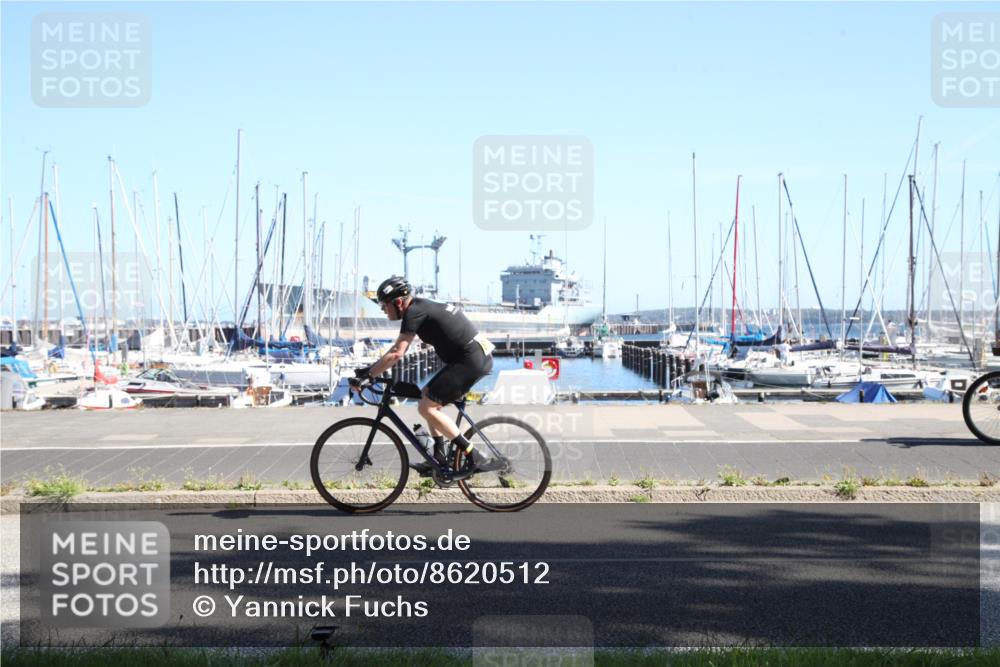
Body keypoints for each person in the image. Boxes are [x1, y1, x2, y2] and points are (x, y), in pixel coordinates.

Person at [353, 276, 502, 474]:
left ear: (398, 302)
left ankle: (473, 455)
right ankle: (440, 454)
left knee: (426, 407)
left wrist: (369, 375)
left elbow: (398, 352)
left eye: (384, 305)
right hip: (469, 357)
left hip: (470, 360)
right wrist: (370, 371)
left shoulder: (414, 311)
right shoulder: (420, 306)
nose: (383, 309)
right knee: (427, 396)